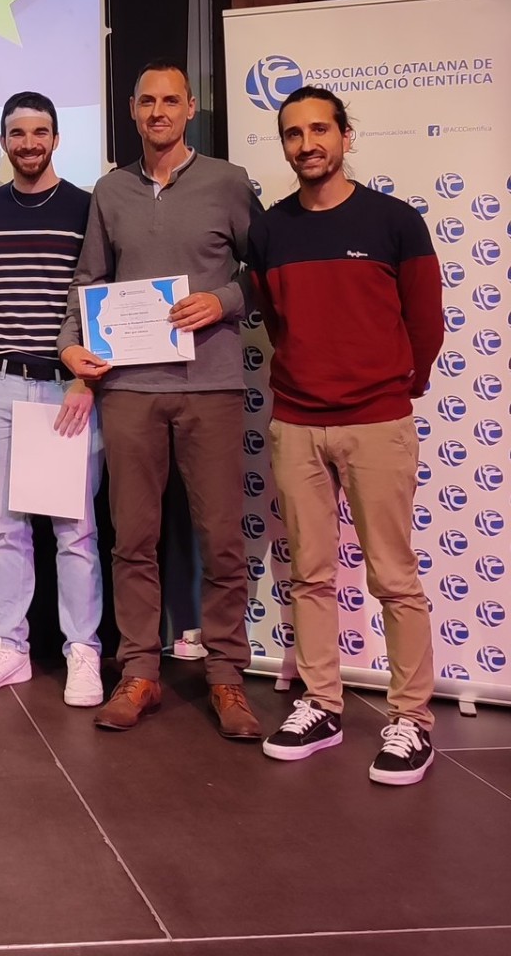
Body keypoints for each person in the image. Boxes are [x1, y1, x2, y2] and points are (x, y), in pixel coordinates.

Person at [61, 61, 263, 740]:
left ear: (191, 108)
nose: (158, 112)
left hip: (211, 386)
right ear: (131, 109)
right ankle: (139, 672)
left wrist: (224, 299)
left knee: (221, 539)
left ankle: (227, 677)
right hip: (129, 389)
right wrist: (70, 348)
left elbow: (265, 271)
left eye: (170, 100)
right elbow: (89, 278)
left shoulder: (227, 182)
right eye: (147, 101)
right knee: (134, 540)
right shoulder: (110, 190)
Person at [249, 87, 442, 784]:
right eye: (293, 134)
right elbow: (276, 321)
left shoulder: (394, 221)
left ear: (345, 136)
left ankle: (412, 720)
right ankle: (322, 704)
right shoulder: (270, 230)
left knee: (394, 576)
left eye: (319, 130)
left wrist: (392, 389)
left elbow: (425, 323)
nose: (307, 144)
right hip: (297, 422)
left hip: (377, 420)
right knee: (310, 574)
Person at [0, 93, 105, 706]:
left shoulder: (85, 207)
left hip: (61, 386)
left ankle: (83, 651)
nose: (29, 143)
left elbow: (98, 295)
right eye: (17, 133)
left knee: (74, 530)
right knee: (4, 528)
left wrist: (86, 382)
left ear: (56, 138)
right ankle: (10, 648)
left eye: (39, 132)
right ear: (3, 141)